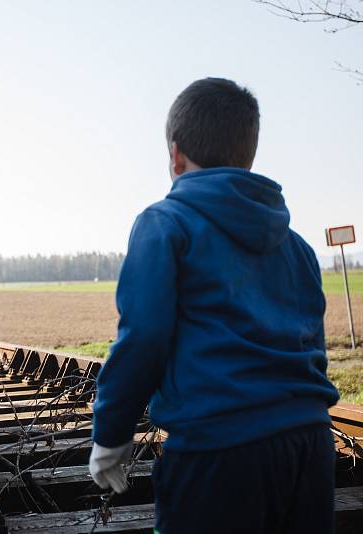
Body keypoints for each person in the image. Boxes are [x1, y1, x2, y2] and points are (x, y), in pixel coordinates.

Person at [89, 77, 340, 534]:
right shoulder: (298, 247)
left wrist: (111, 433)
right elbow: (313, 349)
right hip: (310, 447)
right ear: (248, 155)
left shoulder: (164, 224)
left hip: (219, 454)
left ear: (175, 153)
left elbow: (143, 337)